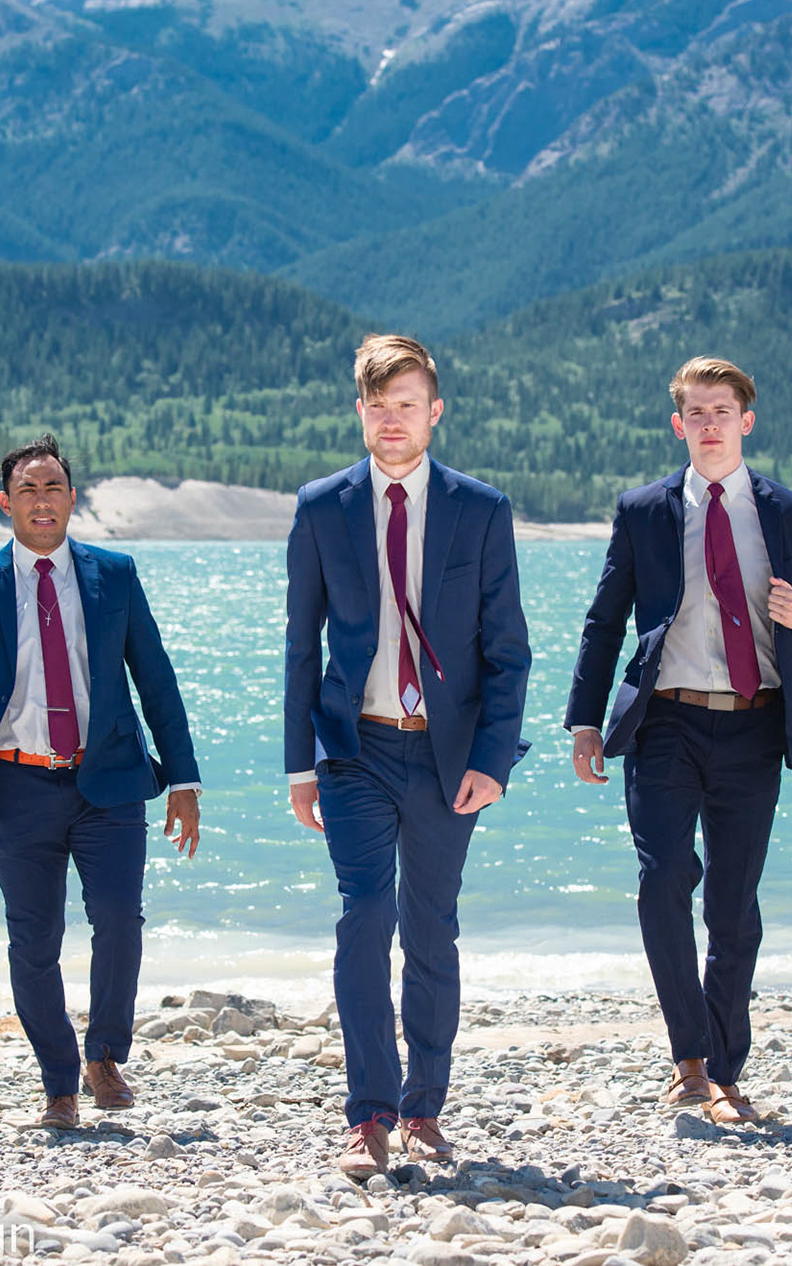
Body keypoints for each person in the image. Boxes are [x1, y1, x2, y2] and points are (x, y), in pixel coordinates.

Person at [565, 357, 792, 1125]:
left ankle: (726, 1068)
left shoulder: (790, 513)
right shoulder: (644, 510)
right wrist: (585, 720)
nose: (711, 424)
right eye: (696, 412)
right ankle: (688, 1059)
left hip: (756, 725)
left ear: (746, 421)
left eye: (723, 410)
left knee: (733, 908)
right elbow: (604, 621)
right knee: (663, 882)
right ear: (679, 424)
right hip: (665, 722)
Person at [284, 333, 531, 1176]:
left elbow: (509, 651)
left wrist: (491, 761)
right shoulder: (322, 508)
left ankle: (425, 1102)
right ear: (361, 411)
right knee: (365, 917)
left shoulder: (481, 509)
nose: (393, 422)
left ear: (435, 413)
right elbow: (300, 646)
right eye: (379, 406)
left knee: (432, 928)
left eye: (408, 406)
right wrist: (300, 764)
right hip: (354, 750)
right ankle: (370, 1112)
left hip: (445, 755)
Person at [0, 434, 202, 1129]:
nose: (42, 502)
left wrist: (186, 781)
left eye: (53, 489)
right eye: (28, 490)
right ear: (5, 502)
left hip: (109, 780)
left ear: (73, 499)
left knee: (120, 919)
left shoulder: (115, 574)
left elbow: (155, 680)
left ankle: (104, 1052)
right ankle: (58, 1082)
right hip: (16, 787)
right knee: (34, 939)